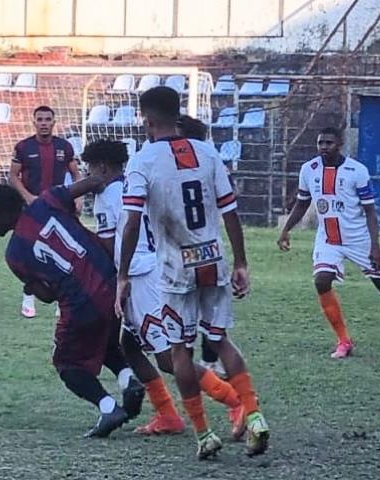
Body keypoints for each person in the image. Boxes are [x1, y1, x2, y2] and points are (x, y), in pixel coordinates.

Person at [115, 86, 269, 460]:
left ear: (147, 119)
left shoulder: (143, 160)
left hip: (174, 268)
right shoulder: (207, 152)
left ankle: (204, 435)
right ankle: (256, 416)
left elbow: (132, 222)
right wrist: (242, 262)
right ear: (178, 113)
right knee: (221, 340)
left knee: (180, 350)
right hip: (212, 258)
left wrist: (121, 276)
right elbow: (230, 211)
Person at [83, 139, 246, 439]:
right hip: (155, 266)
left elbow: (107, 244)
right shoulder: (138, 182)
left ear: (102, 167)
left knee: (170, 358)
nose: (87, 173)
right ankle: (167, 414)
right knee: (129, 345)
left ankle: (235, 401)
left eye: (89, 167)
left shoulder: (107, 196)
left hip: (140, 277)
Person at [0, 180, 144, 438]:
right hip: (110, 284)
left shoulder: (14, 254)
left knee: (66, 364)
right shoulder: (48, 200)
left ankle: (108, 407)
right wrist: (103, 179)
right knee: (106, 343)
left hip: (80, 303)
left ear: (3, 213)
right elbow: (88, 184)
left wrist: (36, 286)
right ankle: (128, 379)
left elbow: (46, 296)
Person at [277, 127, 380, 359]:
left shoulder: (356, 170)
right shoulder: (309, 170)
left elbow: (370, 211)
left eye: (329, 143)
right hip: (328, 239)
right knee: (322, 281)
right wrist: (286, 230)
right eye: (320, 143)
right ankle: (343, 341)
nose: (324, 147)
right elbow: (302, 203)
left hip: (358, 239)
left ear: (340, 144)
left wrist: (375, 246)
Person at [9, 105, 82, 318]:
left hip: (58, 208)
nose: (43, 123)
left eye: (47, 119)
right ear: (34, 122)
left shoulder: (65, 147)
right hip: (32, 209)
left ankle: (62, 298)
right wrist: (28, 197)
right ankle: (28, 296)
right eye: (39, 119)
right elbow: (13, 176)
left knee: (62, 253)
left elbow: (77, 174)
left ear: (53, 122)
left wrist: (78, 197)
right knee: (31, 252)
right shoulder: (23, 147)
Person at [176, 115, 226, 378]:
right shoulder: (211, 157)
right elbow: (230, 197)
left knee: (183, 311)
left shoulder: (165, 161)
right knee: (212, 309)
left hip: (178, 249)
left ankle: (191, 365)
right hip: (210, 245)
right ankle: (209, 362)